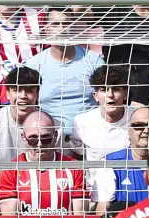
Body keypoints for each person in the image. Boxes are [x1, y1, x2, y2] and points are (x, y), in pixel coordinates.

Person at [22, 7, 105, 136]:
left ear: (74, 27)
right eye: (55, 24)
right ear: (46, 29)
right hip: (48, 140)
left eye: (66, 23)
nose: (62, 28)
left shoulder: (93, 60)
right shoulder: (34, 65)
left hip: (91, 135)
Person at [0, 112, 88, 215]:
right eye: (33, 139)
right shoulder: (10, 171)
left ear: (55, 136)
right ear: (23, 137)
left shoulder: (73, 168)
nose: (39, 144)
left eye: (46, 138)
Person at [93, 107, 149, 213]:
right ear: (129, 130)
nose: (146, 131)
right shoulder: (110, 164)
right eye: (139, 126)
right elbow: (102, 210)